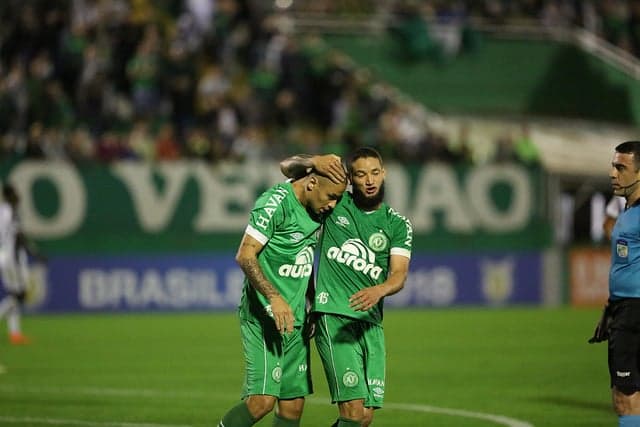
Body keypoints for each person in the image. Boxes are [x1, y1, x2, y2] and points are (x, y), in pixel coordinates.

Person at [280, 147, 413, 427]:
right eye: (361, 174)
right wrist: (314, 161)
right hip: (334, 316)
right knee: (352, 412)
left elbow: (399, 274)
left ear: (384, 173)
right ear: (350, 179)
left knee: (363, 417)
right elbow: (286, 167)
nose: (369, 180)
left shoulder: (398, 224)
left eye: (375, 172)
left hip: (371, 324)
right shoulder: (335, 205)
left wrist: (379, 290)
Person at [217, 168, 347, 427]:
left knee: (292, 406)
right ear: (311, 183)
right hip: (264, 317)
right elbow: (245, 254)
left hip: (295, 319)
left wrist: (310, 301)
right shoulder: (275, 202)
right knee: (262, 401)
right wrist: (274, 298)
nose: (332, 205)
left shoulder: (317, 211)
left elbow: (306, 257)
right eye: (331, 196)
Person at [592, 141, 640, 427]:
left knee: (624, 397)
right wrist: (610, 308)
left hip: (634, 312)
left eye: (620, 167)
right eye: (613, 166)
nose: (613, 173)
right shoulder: (627, 210)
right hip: (623, 307)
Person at [0, 183, 41, 345]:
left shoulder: (1, 211)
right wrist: (34, 254)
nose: (19, 196)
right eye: (16, 193)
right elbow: (18, 238)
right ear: (10, 195)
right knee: (20, 296)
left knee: (14, 295)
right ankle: (14, 332)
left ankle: (15, 334)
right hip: (13, 258)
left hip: (3, 256)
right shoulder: (12, 212)